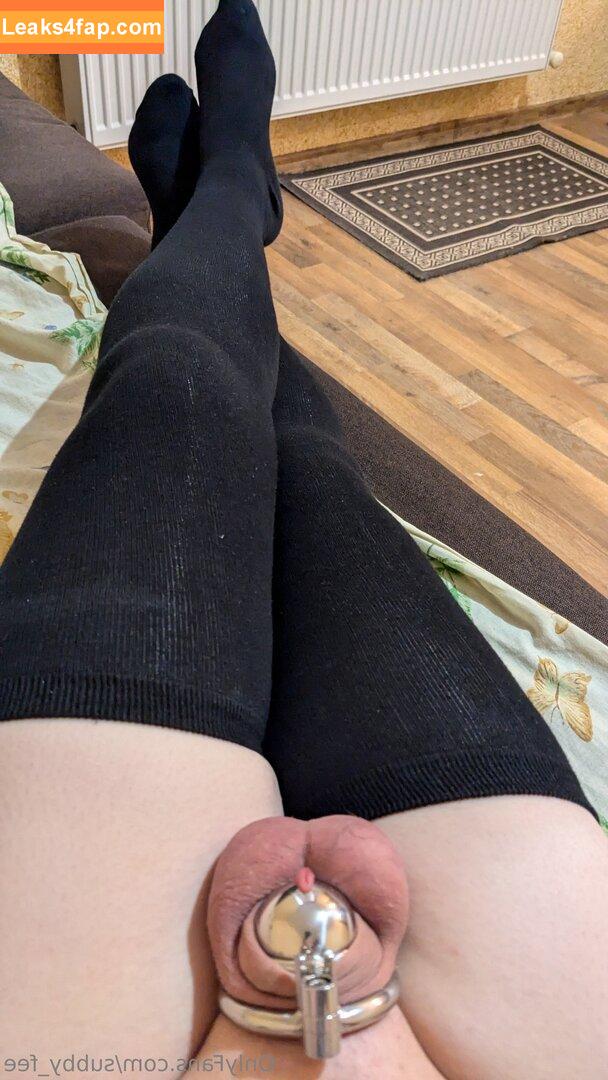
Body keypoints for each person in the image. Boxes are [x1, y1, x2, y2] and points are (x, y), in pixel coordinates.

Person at [0, 3, 606, 1077]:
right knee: (314, 478)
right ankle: (229, 195)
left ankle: (219, 206)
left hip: (74, 1007)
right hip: (541, 1005)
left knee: (171, 379)